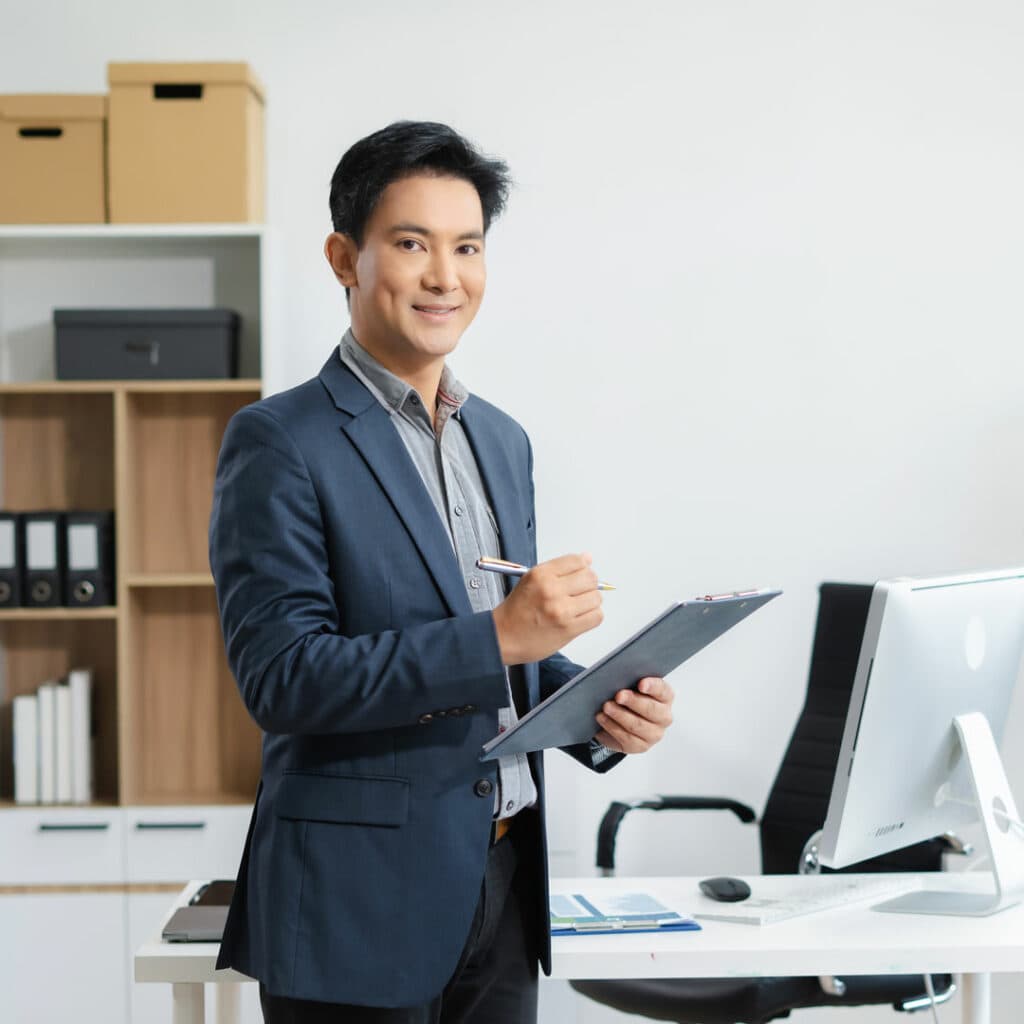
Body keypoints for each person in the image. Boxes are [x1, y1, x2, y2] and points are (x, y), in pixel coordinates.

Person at [208, 120, 676, 1024]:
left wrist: (603, 713)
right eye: (412, 244)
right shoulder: (280, 441)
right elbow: (284, 679)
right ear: (346, 257)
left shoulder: (499, 440)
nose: (444, 277)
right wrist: (503, 634)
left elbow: (511, 662)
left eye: (467, 247)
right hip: (355, 903)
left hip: (501, 879)